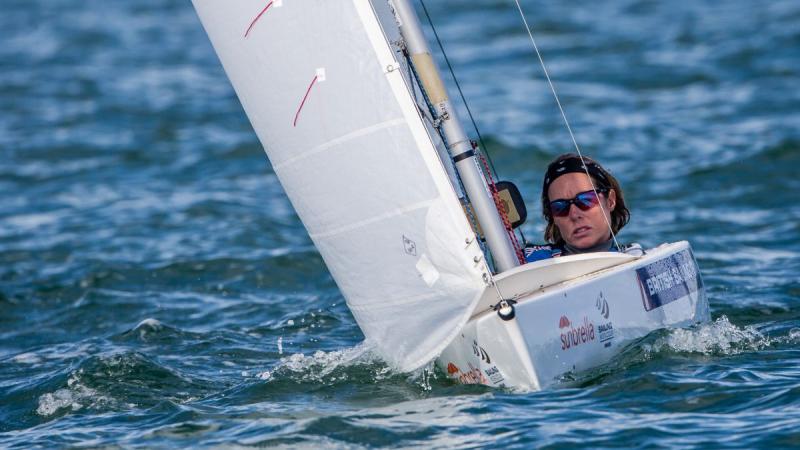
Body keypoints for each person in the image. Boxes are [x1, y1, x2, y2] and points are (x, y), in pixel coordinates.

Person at [525, 153, 637, 262]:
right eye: (560, 207)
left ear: (610, 201)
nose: (574, 214)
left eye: (586, 200)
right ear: (553, 218)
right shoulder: (529, 261)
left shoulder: (636, 258)